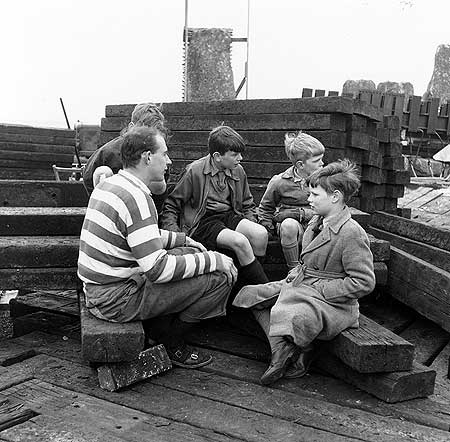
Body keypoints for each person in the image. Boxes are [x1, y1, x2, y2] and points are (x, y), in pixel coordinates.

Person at [78, 125, 238, 368]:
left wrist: (182, 240)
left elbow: (139, 236)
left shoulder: (114, 185)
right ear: (147, 157)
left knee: (192, 252)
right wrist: (215, 260)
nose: (169, 160)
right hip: (115, 301)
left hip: (100, 289)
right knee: (220, 277)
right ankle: (172, 342)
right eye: (164, 154)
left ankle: (159, 328)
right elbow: (157, 269)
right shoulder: (137, 198)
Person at [233, 160, 376, 385]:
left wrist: (319, 290)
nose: (309, 199)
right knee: (250, 295)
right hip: (304, 285)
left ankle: (289, 353)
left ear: (335, 197)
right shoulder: (316, 222)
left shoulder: (351, 233)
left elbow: (364, 282)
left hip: (335, 304)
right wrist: (296, 276)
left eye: (315, 195)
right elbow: (306, 261)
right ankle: (287, 349)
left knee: (296, 315)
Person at [160, 125, 269, 289]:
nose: (240, 158)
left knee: (260, 234)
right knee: (239, 241)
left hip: (229, 216)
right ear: (217, 156)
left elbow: (247, 204)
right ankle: (265, 292)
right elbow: (172, 205)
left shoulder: (237, 171)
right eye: (234, 154)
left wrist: (250, 223)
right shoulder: (194, 171)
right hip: (202, 221)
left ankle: (247, 289)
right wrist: (177, 235)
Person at [82, 103, 168, 211]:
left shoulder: (158, 154)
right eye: (143, 130)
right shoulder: (108, 153)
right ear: (131, 127)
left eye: (153, 133)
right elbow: (88, 175)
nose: (147, 137)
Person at [258, 132, 324, 269]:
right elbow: (265, 208)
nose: (322, 163)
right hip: (293, 230)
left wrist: (302, 213)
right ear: (301, 165)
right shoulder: (280, 182)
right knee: (288, 225)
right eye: (317, 161)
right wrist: (268, 228)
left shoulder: (324, 181)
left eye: (322, 159)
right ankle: (293, 270)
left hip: (317, 224)